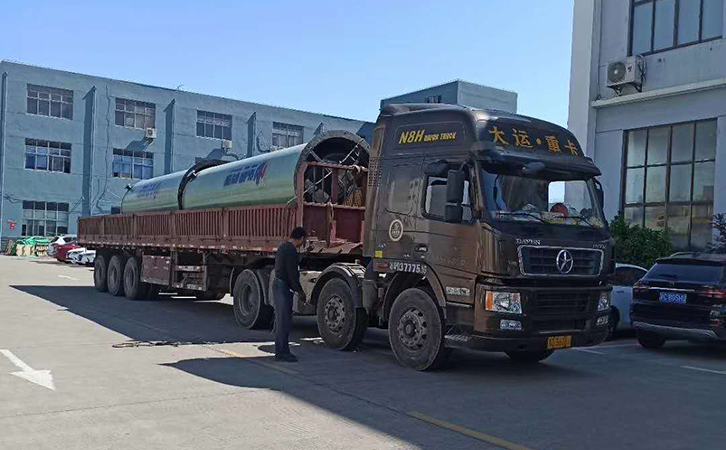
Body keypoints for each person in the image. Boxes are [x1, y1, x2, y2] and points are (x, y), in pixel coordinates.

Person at [272, 226, 307, 362]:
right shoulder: (291, 251)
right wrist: (300, 291)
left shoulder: (283, 247)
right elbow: (292, 274)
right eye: (304, 240)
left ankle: (280, 351)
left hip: (278, 284)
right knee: (284, 322)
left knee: (281, 320)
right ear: (301, 238)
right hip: (283, 287)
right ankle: (282, 353)